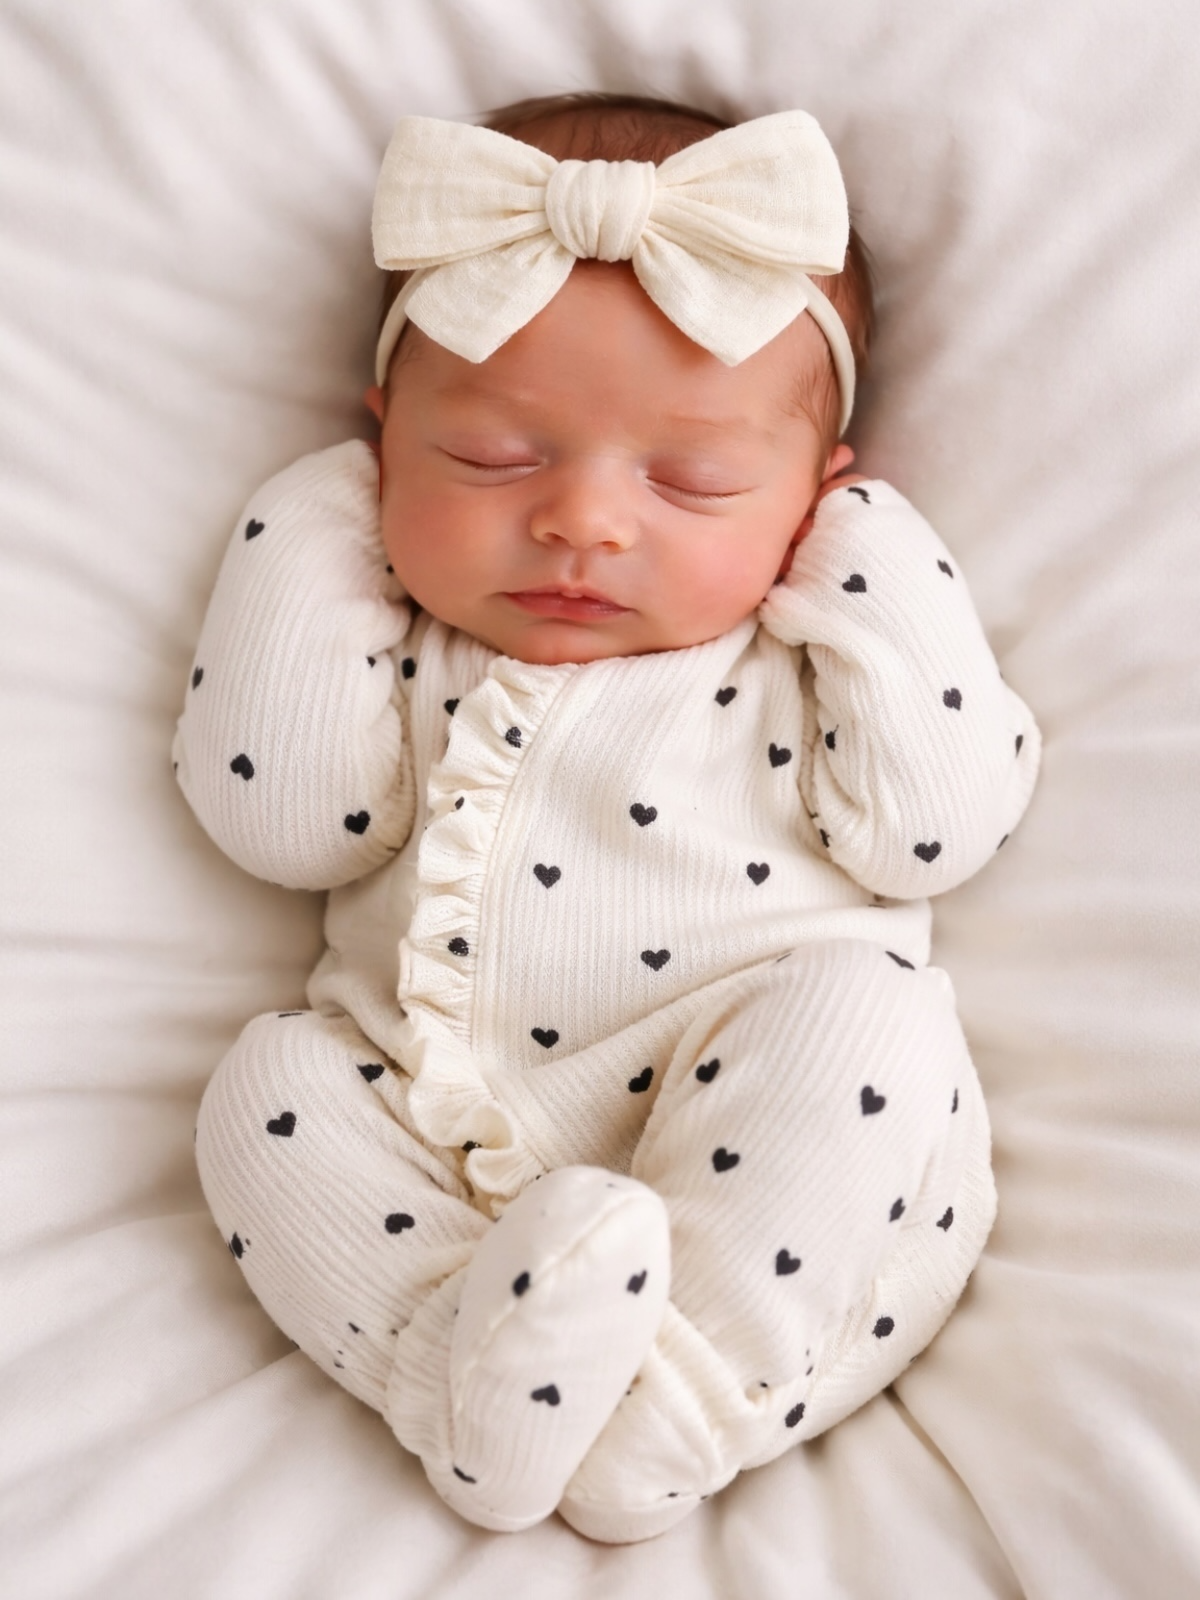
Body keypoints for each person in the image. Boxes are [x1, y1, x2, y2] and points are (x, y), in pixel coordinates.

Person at [174, 93, 1040, 1544]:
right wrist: (317, 520)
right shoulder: (413, 648)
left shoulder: (793, 645)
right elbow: (288, 824)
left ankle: (665, 1415)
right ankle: (474, 1391)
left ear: (817, 494)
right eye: (492, 460)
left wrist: (875, 561)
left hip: (792, 1165)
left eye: (694, 479)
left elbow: (935, 831)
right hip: (433, 1153)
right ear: (383, 440)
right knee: (265, 1093)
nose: (585, 522)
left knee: (870, 1018)